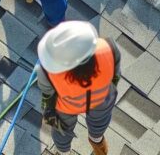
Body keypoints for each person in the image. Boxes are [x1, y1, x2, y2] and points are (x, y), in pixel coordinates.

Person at [37, 21, 120, 155]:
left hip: (66, 106)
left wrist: (48, 113)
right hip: (102, 99)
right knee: (99, 123)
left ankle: (63, 152)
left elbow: (47, 94)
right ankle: (97, 142)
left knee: (61, 130)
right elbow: (115, 74)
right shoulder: (109, 47)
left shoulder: (46, 72)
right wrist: (108, 91)